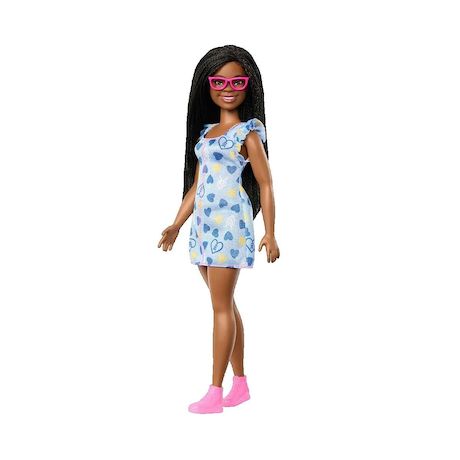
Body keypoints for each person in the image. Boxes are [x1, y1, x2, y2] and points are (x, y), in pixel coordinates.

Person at [158, 45, 280, 413]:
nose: (228, 88)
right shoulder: (207, 133)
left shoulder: (248, 134)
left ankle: (215, 390)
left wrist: (270, 231)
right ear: (207, 85)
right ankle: (239, 384)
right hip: (204, 226)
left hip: (229, 226)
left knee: (221, 307)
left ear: (248, 86)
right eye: (220, 82)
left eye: (237, 82)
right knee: (224, 304)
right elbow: (196, 186)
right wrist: (176, 224)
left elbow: (266, 183)